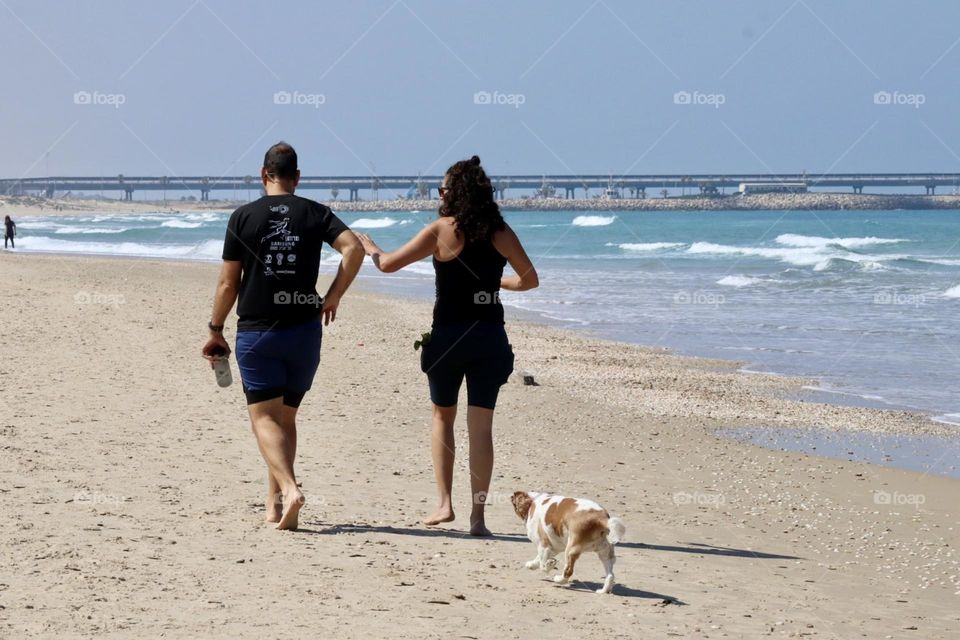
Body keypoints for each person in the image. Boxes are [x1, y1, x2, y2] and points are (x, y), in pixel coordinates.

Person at [357, 155, 539, 536]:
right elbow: (529, 280)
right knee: (482, 427)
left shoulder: (441, 230)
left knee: (443, 417)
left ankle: (444, 505)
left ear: (453, 194)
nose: (439, 196)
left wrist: (371, 248)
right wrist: (493, 285)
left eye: (441, 190)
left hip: (447, 339)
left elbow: (387, 265)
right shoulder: (500, 232)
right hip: (489, 338)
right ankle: (478, 518)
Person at [202, 142, 364, 530]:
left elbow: (228, 283)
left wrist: (215, 329)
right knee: (285, 420)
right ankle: (273, 506)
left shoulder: (243, 216)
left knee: (263, 419)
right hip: (304, 332)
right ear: (297, 178)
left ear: (264, 175)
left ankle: (290, 490)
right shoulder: (315, 212)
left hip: (259, 332)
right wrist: (334, 296)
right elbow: (354, 248)